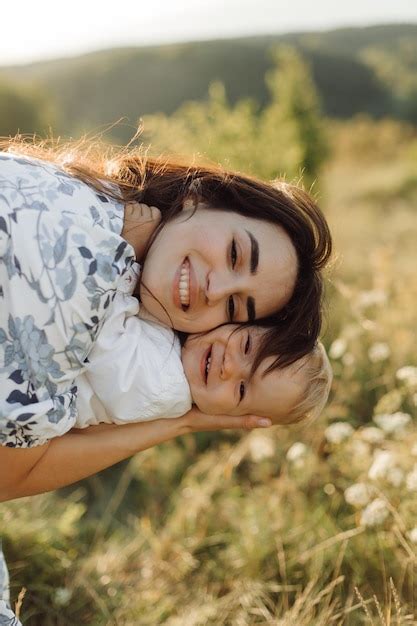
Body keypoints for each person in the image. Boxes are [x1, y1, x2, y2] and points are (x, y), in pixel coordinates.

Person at [75, 259, 332, 429]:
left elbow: (97, 332)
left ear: (228, 418)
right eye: (245, 347)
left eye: (241, 390)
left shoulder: (164, 386)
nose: (229, 368)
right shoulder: (175, 347)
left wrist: (129, 263)